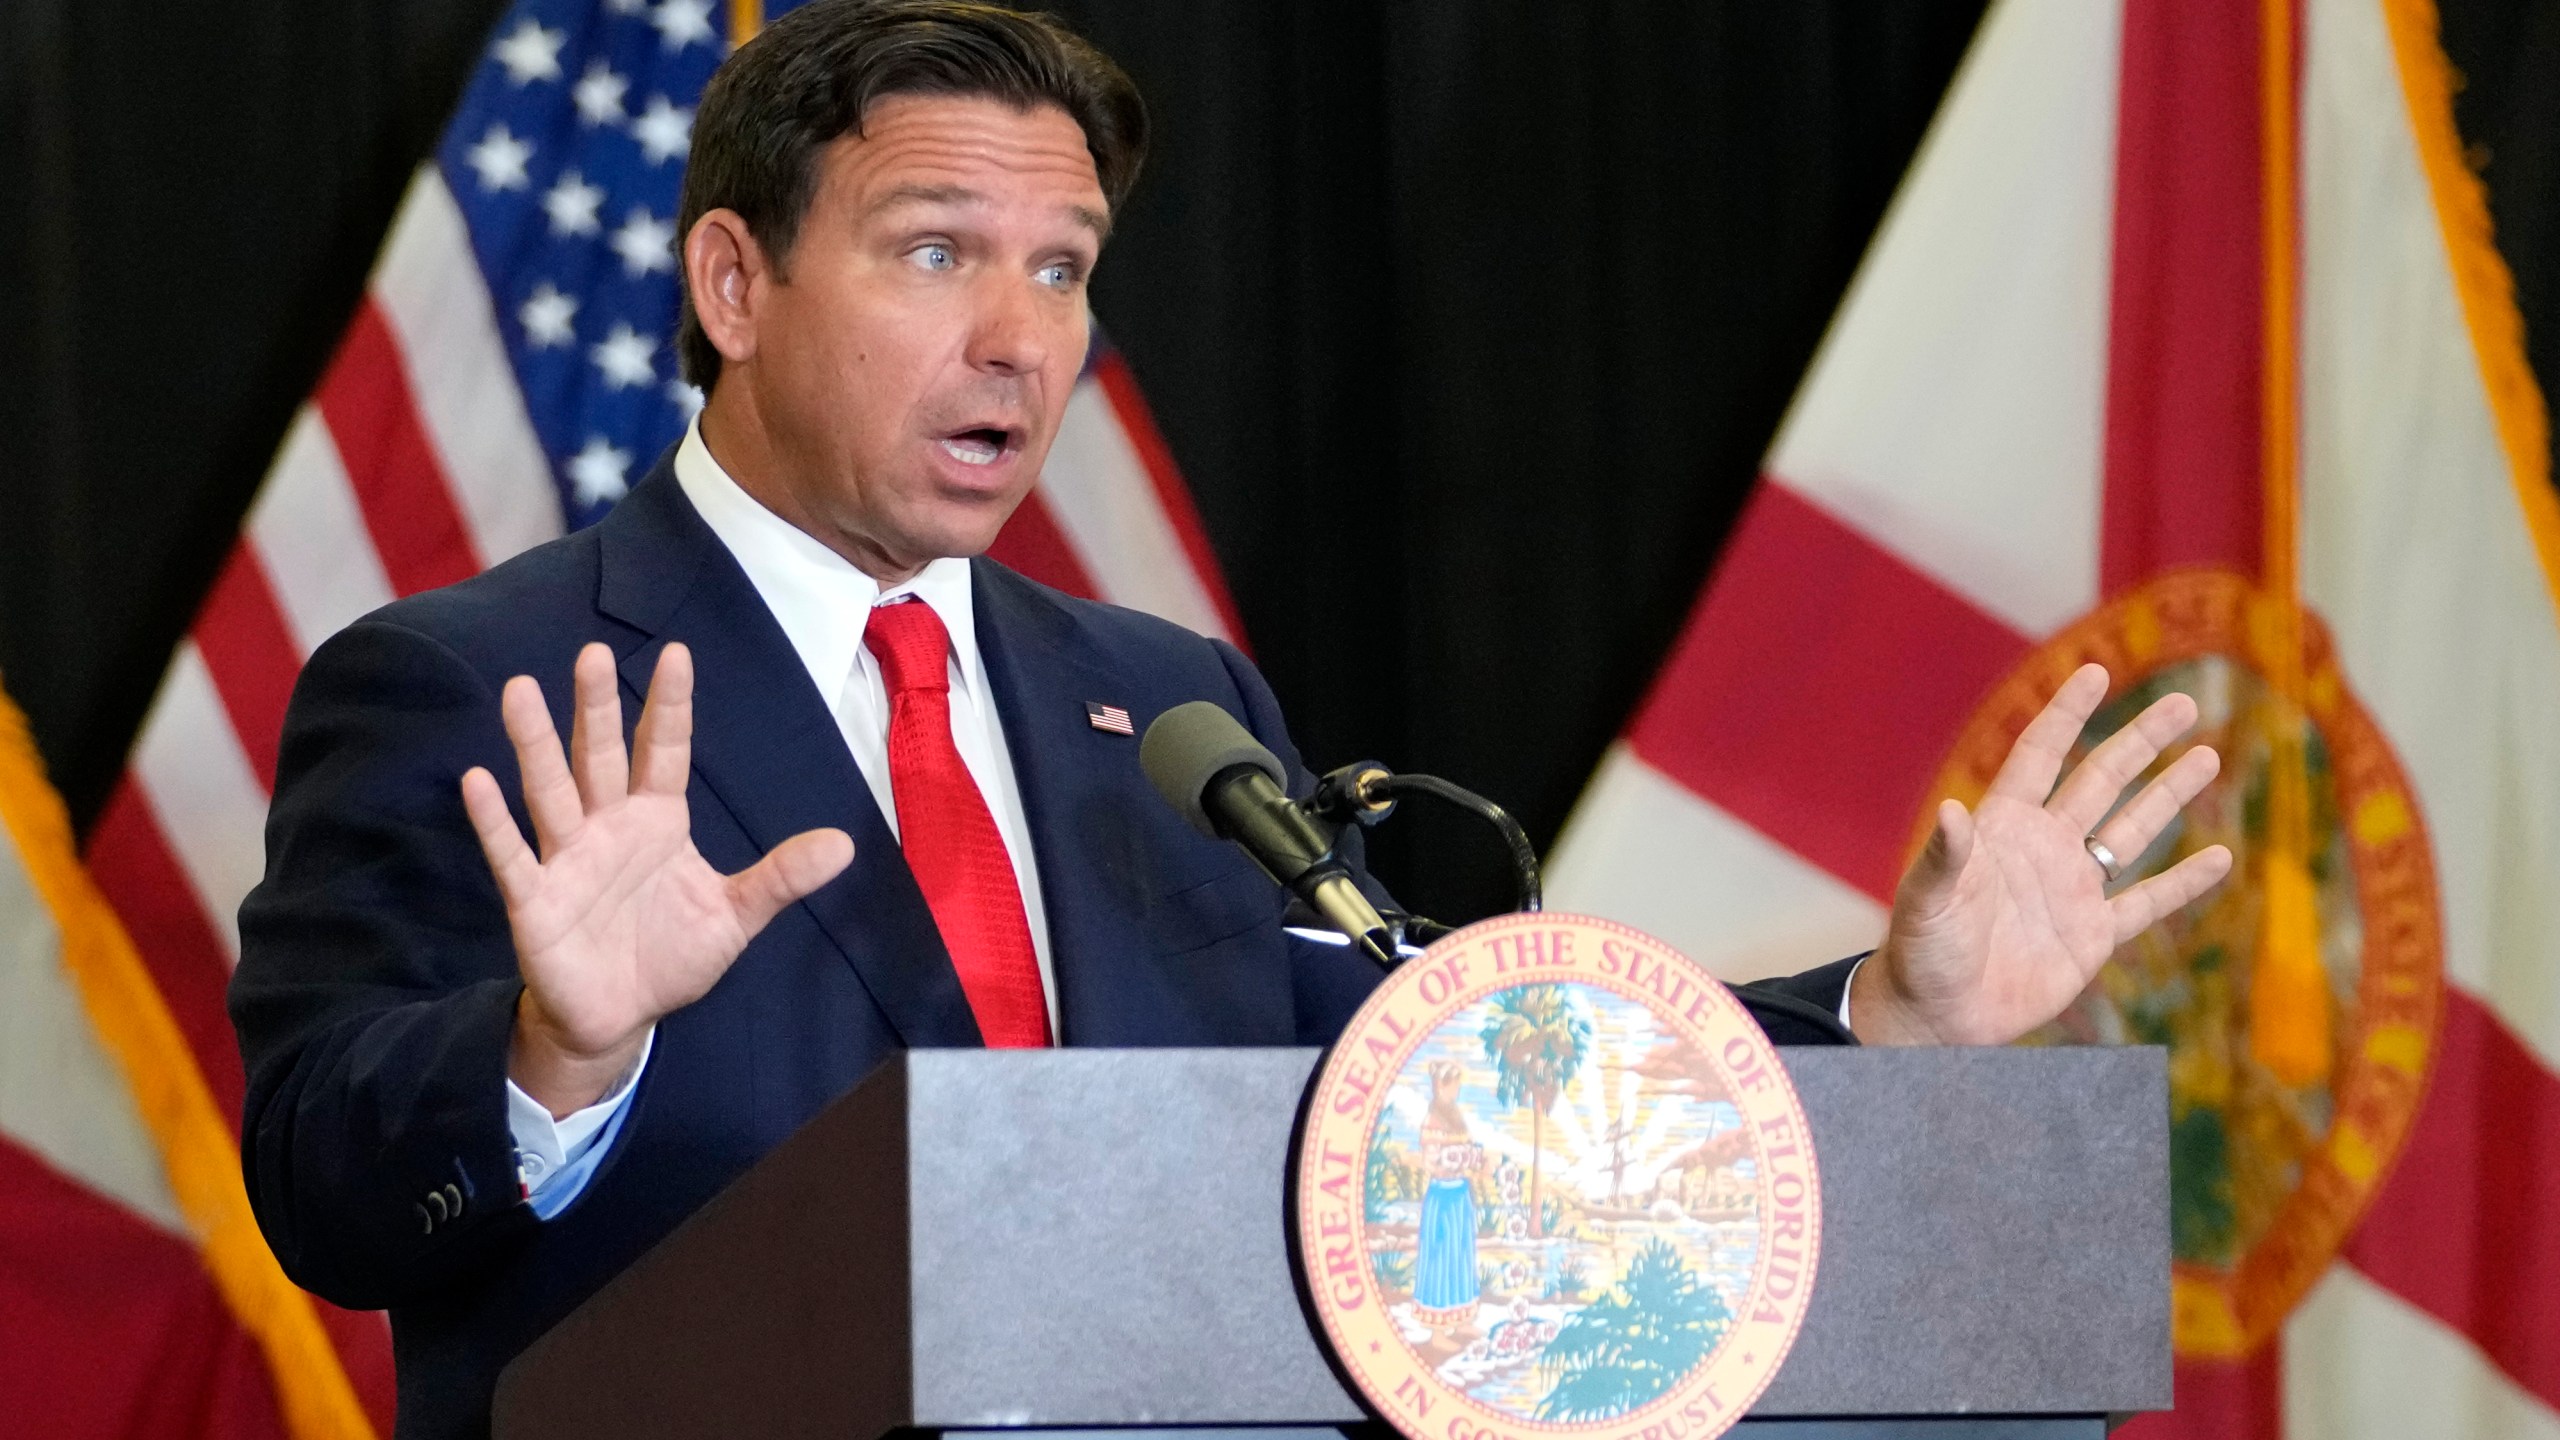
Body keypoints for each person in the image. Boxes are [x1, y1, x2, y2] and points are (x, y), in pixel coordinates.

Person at [227, 4, 2233, 1437]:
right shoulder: (471, 680)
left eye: (1064, 268)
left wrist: (1880, 1020)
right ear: (732, 285)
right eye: (935, 253)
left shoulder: (1161, 706)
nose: (1020, 336)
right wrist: (551, 1052)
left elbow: (1422, 1081)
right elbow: (324, 1183)